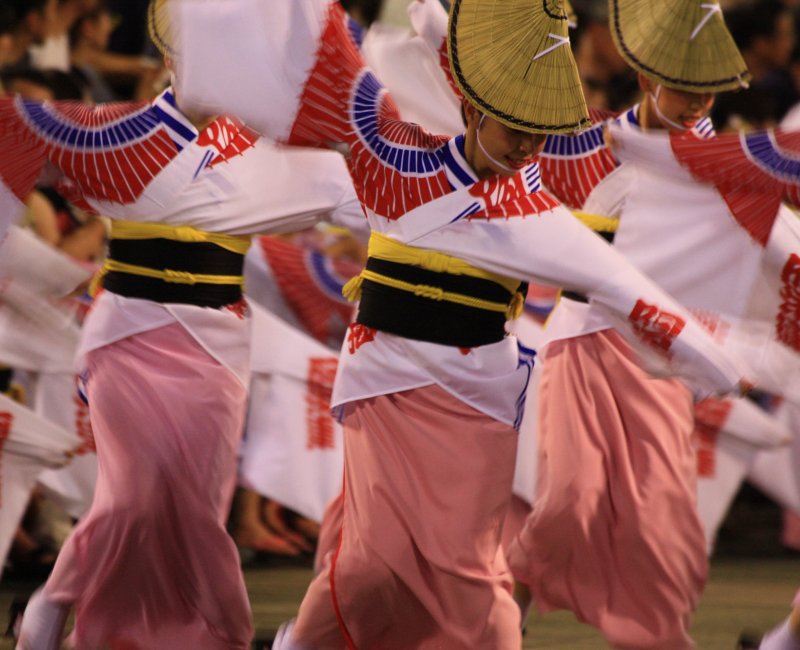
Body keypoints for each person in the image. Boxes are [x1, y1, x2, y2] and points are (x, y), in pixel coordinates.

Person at [174, 1, 750, 648]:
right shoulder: (389, 155)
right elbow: (339, 57)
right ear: (472, 112)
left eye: (539, 134)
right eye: (514, 130)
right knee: (366, 568)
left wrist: (711, 360)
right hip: (383, 384)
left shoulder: (529, 211)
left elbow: (624, 286)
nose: (528, 146)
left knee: (469, 578)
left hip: (473, 404)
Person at [3, 0, 362, 647]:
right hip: (128, 335)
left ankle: (207, 633)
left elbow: (365, 196)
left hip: (217, 346)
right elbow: (23, 143)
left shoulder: (269, 153)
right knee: (132, 498)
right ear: (168, 58)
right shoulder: (114, 133)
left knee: (197, 510)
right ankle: (56, 604)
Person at [502, 1, 788, 648]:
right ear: (648, 74)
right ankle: (500, 617)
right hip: (579, 340)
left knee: (664, 527)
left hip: (661, 355)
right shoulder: (583, 140)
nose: (695, 102)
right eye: (684, 86)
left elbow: (768, 249)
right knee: (567, 504)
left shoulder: (722, 164)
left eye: (707, 90)